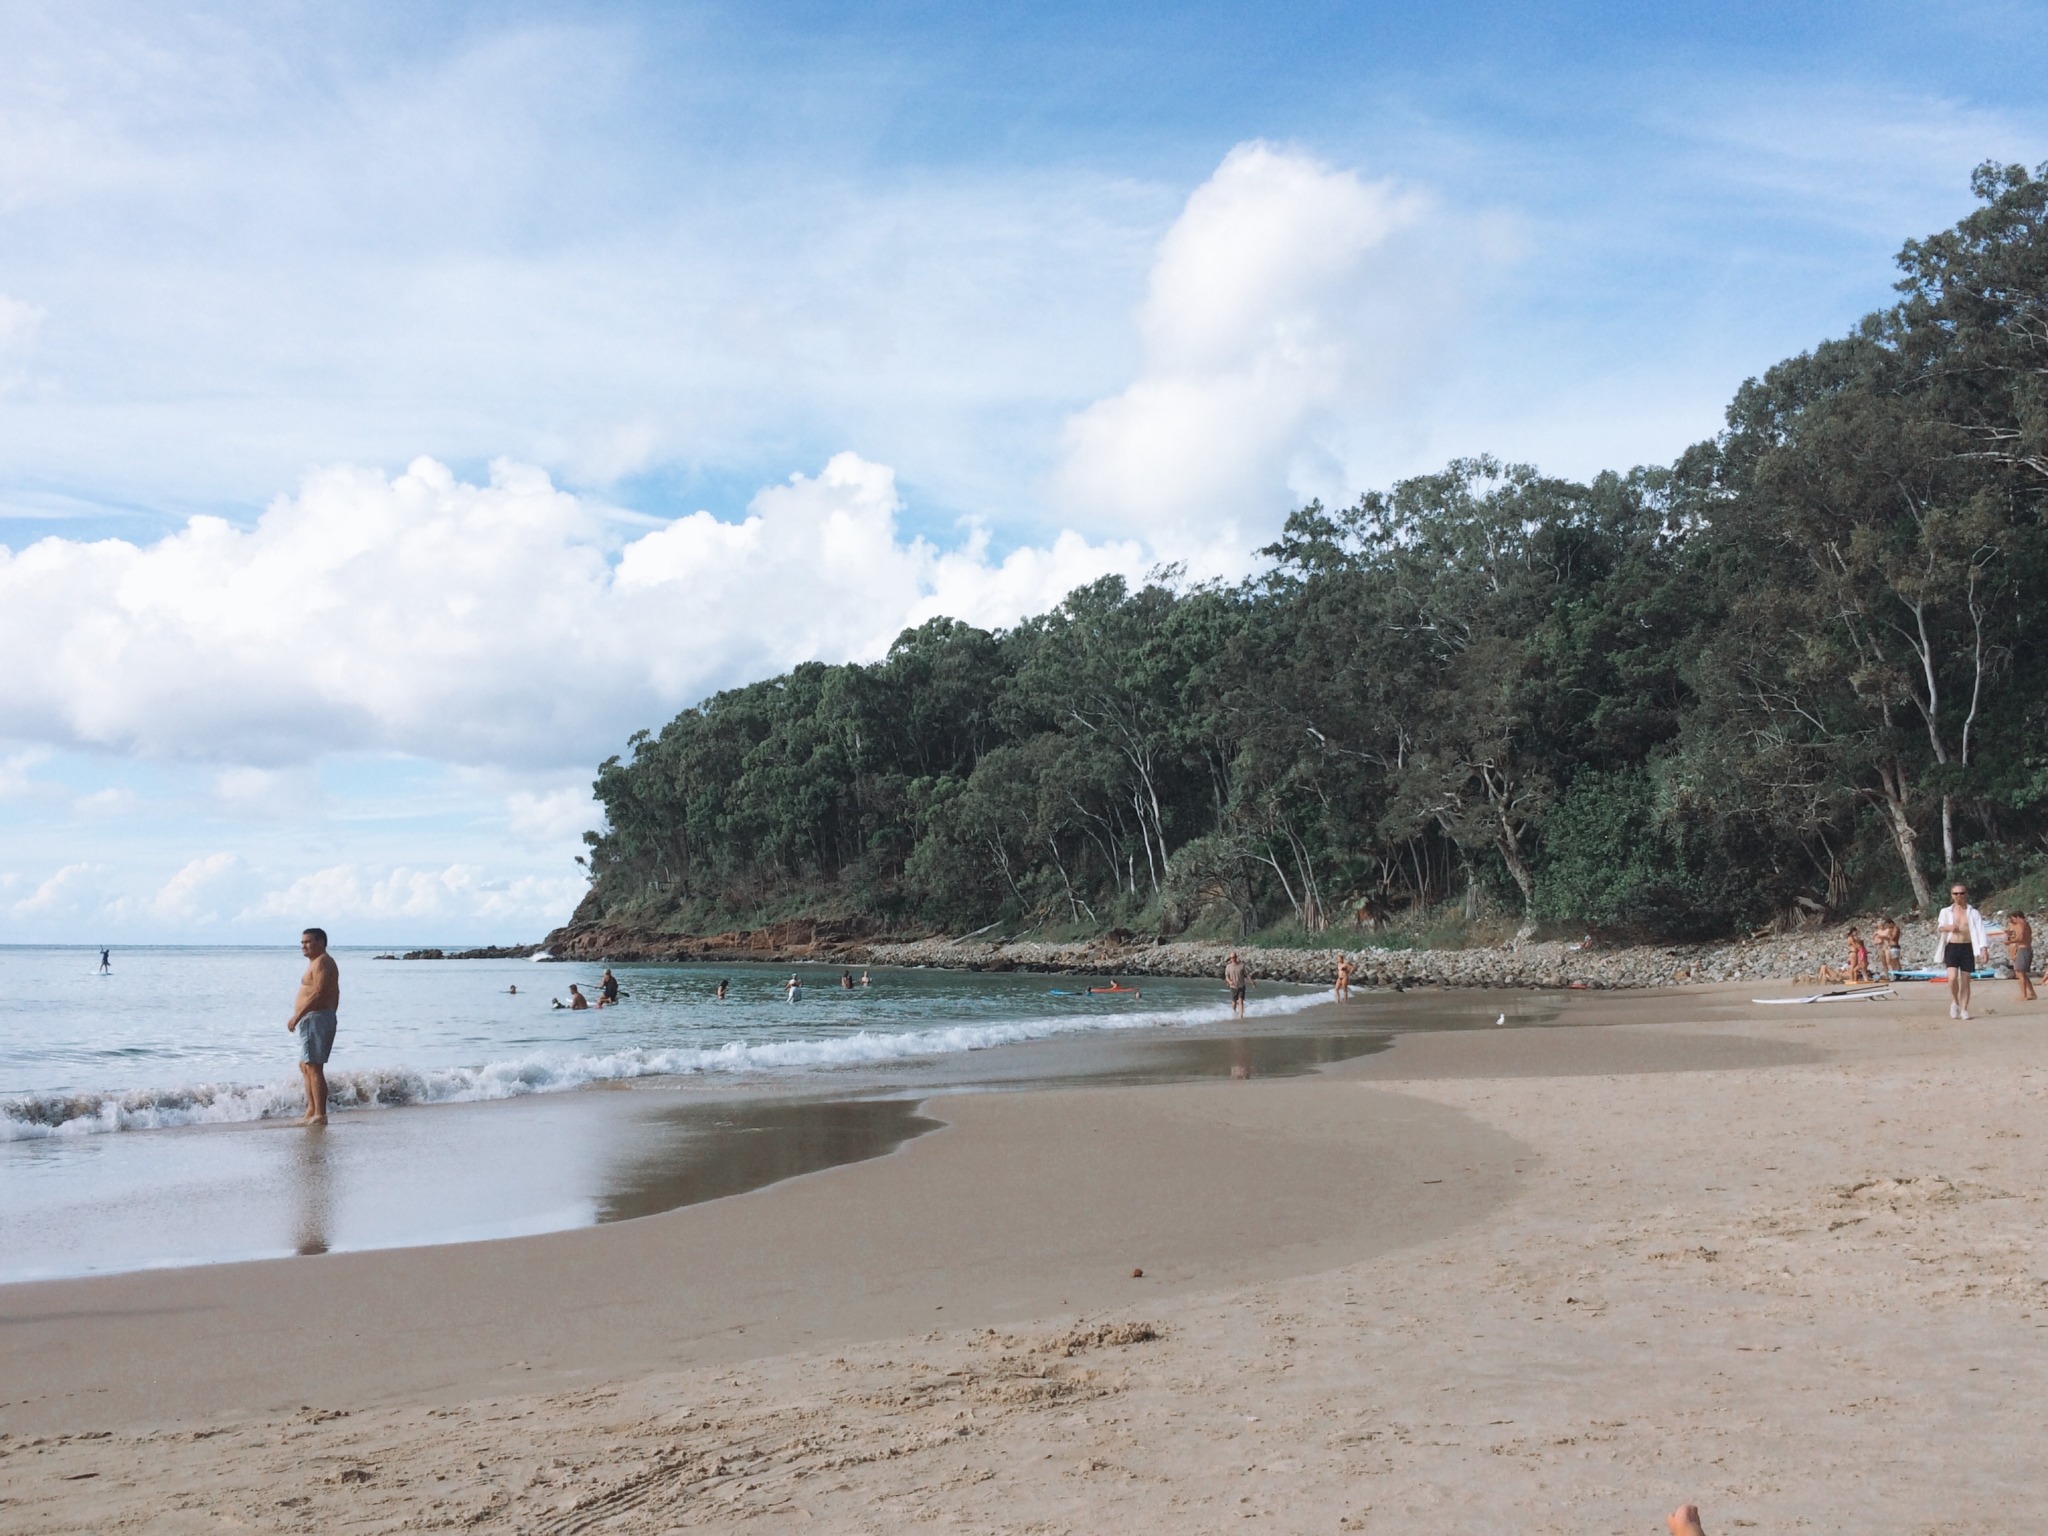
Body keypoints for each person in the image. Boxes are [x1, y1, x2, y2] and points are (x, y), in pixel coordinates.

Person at [285, 927, 340, 1126]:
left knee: (314, 1066)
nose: (303, 946)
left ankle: (320, 1114)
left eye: (307, 942)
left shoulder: (323, 961)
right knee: (305, 1065)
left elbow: (319, 992)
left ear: (321, 942)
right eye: (302, 942)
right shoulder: (316, 962)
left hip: (316, 1017)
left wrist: (298, 1015)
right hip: (314, 1018)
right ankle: (311, 1111)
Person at [1937, 882, 1990, 1020]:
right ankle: (1955, 1001)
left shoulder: (1973, 912)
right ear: (1951, 895)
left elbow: (1981, 931)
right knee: (1952, 978)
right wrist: (1948, 928)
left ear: (1966, 894)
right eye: (1955, 893)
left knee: (1966, 980)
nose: (1959, 896)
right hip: (1952, 946)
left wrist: (1983, 949)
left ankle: (1964, 1009)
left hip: (1967, 947)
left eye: (1961, 893)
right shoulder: (1946, 911)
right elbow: (1940, 927)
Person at [2006, 908, 2037, 1001]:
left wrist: (2010, 941)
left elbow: (2021, 938)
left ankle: (2024, 995)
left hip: (2023, 949)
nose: (2013, 921)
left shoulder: (2021, 924)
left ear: (2017, 917)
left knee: (2020, 973)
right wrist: (2011, 935)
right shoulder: (2025, 924)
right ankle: (2031, 993)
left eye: (2013, 919)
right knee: (2021, 973)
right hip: (2025, 949)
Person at [1874, 914, 1902, 979]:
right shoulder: (1892, 929)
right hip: (1892, 946)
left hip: (1894, 946)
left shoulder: (1895, 928)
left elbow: (1893, 938)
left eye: (1888, 925)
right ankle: (1896, 974)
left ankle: (1898, 974)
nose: (1888, 927)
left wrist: (1887, 936)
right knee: (1893, 961)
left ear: (1891, 923)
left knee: (1895, 961)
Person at [1224, 951, 1248, 1017]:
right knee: (1234, 1002)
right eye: (1231, 958)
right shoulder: (1228, 967)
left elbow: (1247, 975)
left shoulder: (1241, 965)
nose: (1233, 959)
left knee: (1240, 1000)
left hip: (1241, 986)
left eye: (1234, 957)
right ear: (1230, 958)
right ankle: (1234, 1013)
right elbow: (1227, 977)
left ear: (1236, 957)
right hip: (1233, 987)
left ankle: (1241, 1015)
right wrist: (1229, 981)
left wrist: (1252, 982)